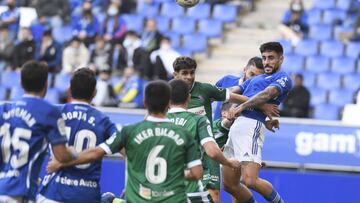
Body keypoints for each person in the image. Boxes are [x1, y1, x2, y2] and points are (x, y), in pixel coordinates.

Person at [47, 80, 203, 203]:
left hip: (140, 199)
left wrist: (63, 162)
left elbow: (96, 152)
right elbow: (197, 173)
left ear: (145, 102)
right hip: (173, 199)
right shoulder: (184, 134)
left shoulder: (129, 131)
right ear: (168, 103)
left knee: (108, 199)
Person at [172, 56, 278, 203]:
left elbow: (233, 97)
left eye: (192, 72)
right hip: (183, 151)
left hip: (210, 146)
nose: (189, 77)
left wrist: (261, 106)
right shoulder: (167, 94)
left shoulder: (204, 89)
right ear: (175, 75)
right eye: (185, 73)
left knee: (215, 194)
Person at [223, 42, 292, 203]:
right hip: (235, 127)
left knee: (250, 180)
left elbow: (267, 94)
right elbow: (234, 92)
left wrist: (242, 107)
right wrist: (212, 93)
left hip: (251, 126)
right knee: (229, 184)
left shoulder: (283, 78)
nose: (267, 62)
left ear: (281, 59)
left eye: (271, 58)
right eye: (264, 58)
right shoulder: (257, 78)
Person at [38, 68, 118, 203]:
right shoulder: (103, 121)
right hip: (86, 196)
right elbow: (126, 148)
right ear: (94, 93)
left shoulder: (54, 113)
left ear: (69, 90)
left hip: (53, 193)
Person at [0, 61, 76, 202]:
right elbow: (62, 156)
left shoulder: (3, 109)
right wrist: (74, 152)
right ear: (46, 84)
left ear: (21, 83)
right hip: (21, 191)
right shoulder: (48, 112)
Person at [167, 79, 241, 202]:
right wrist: (229, 162)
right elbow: (212, 151)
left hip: (161, 190)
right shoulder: (198, 120)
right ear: (189, 97)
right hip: (190, 189)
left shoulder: (155, 123)